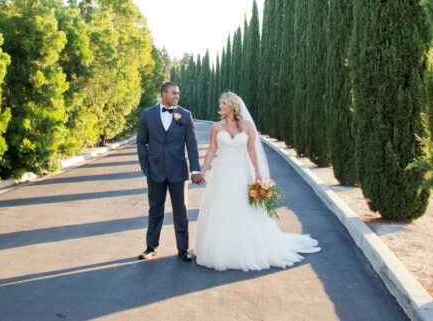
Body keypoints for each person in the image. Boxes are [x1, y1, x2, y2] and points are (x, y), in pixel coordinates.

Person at [193, 91, 320, 271]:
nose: (220, 106)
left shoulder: (247, 126)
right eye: (220, 103)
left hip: (242, 172)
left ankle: (248, 247)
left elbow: (251, 149)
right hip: (222, 173)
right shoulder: (216, 127)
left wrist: (258, 171)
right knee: (223, 208)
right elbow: (212, 149)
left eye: (223, 103)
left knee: (245, 209)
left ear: (233, 106)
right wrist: (203, 170)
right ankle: (224, 249)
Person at [136, 81, 202, 262]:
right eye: (174, 93)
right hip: (154, 171)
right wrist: (145, 165)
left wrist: (195, 169)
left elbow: (192, 144)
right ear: (163, 93)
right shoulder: (147, 114)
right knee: (155, 210)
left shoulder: (185, 115)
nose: (177, 96)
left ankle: (183, 249)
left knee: (181, 211)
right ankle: (151, 247)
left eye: (178, 93)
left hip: (178, 171)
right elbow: (141, 141)